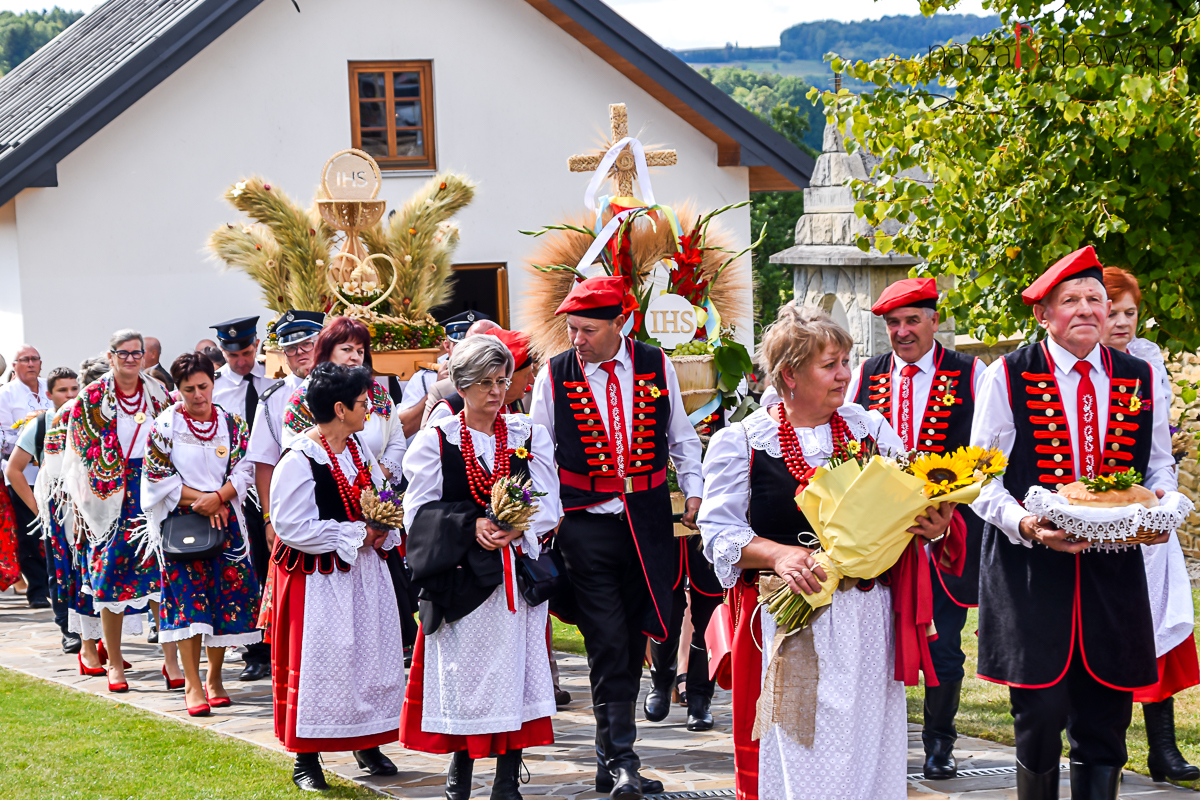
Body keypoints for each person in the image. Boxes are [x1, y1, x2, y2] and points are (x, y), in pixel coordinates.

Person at [699, 305, 957, 800]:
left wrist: (931, 525)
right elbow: (719, 533)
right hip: (791, 620)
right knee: (802, 743)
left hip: (867, 618)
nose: (845, 375)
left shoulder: (869, 429)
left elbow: (908, 504)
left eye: (845, 362)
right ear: (790, 375)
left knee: (866, 742)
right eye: (830, 365)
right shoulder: (743, 442)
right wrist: (778, 555)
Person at [971, 246, 1175, 800]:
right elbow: (980, 479)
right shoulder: (1007, 375)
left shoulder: (1139, 375)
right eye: (1070, 300)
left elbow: (1159, 465)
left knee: (1107, 718)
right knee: (1040, 711)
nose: (1087, 309)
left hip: (1114, 572)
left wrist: (1161, 504)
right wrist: (1026, 525)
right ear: (1044, 314)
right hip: (1031, 572)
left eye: (1095, 299)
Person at [528, 275, 704, 800]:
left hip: (646, 525)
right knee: (605, 640)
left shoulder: (655, 363)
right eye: (572, 329)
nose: (576, 339)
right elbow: (539, 452)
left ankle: (611, 760)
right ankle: (625, 761)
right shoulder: (554, 374)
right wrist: (549, 518)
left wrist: (694, 491)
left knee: (632, 639)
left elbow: (680, 435)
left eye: (586, 329)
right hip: (584, 525)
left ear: (619, 323)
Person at [401, 334, 561, 800]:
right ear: (462, 386)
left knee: (516, 671)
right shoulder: (437, 440)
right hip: (463, 581)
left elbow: (550, 502)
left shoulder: (527, 434)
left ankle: (508, 778)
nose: (497, 391)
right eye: (486, 382)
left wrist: (518, 526)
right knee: (466, 675)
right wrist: (470, 525)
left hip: (516, 578)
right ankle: (461, 771)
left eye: (503, 381)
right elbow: (417, 513)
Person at [845, 278, 986, 779]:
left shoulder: (970, 372)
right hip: (878, 536)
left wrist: (950, 511)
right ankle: (872, 745)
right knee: (871, 642)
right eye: (892, 323)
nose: (902, 332)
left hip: (945, 531)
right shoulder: (866, 373)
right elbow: (850, 441)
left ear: (934, 320)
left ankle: (939, 743)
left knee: (942, 642)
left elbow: (988, 451)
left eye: (911, 321)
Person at [269, 362, 404, 791]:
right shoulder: (299, 458)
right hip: (321, 579)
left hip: (361, 573)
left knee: (367, 658)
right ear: (341, 409)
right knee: (323, 664)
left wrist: (383, 523)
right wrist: (356, 534)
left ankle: (367, 740)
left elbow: (380, 492)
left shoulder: (357, 448)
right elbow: (291, 525)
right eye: (363, 402)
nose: (369, 409)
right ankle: (306, 758)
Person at [1101, 266, 1199, 783]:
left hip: (1146, 514)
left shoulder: (1148, 359)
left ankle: (1163, 749)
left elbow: (1160, 444)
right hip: (1094, 517)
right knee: (1104, 632)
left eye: (1130, 312)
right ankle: (1103, 751)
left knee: (1155, 623)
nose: (1122, 322)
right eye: (1112, 312)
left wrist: (1161, 493)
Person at [141, 352, 262, 715]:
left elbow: (245, 468)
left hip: (226, 523)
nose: (198, 395)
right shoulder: (164, 427)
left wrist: (221, 497)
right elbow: (158, 478)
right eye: (189, 389)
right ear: (177, 390)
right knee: (189, 605)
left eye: (203, 386)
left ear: (213, 383)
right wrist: (204, 500)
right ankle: (193, 683)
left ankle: (215, 676)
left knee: (224, 601)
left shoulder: (232, 423)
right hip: (183, 525)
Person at [62, 330, 172, 693]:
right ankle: (114, 661)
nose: (130, 359)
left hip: (151, 488)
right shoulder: (90, 398)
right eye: (122, 353)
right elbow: (77, 457)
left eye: (136, 353)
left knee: (161, 574)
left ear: (144, 356)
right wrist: (82, 507)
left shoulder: (157, 392)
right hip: (107, 494)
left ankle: (171, 661)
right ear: (110, 357)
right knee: (109, 577)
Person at [245, 310, 323, 667]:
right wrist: (268, 518)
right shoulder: (274, 397)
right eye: (291, 348)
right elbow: (264, 463)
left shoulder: (348, 386)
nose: (300, 353)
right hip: (293, 508)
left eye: (307, 344)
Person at [210, 316, 275, 682]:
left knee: (273, 566)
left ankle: (278, 642)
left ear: (257, 346)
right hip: (236, 490)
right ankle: (255, 651)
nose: (241, 361)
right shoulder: (215, 389)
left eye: (247, 353)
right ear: (223, 352)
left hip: (273, 483)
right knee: (246, 569)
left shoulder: (274, 379)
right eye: (233, 355)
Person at [36, 357, 110, 675]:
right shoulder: (69, 413)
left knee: (106, 575)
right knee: (80, 575)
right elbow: (56, 472)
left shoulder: (116, 409)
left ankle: (107, 644)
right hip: (70, 506)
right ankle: (86, 647)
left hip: (105, 503)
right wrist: (78, 508)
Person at [7, 366, 81, 651]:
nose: (70, 395)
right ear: (49, 395)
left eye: (74, 389)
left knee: (87, 569)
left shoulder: (88, 420)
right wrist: (38, 509)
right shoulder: (41, 425)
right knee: (59, 570)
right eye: (63, 390)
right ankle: (67, 628)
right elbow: (14, 470)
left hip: (88, 509)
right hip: (56, 509)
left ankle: (92, 627)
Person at [281, 317, 406, 481]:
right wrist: (347, 487)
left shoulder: (376, 392)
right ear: (327, 352)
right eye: (347, 349)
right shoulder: (302, 401)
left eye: (360, 351)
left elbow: (396, 442)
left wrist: (370, 485)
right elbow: (296, 462)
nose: (355, 357)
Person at [0, 344, 54, 608]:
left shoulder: (50, 388)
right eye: (24, 359)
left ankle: (57, 583)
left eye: (35, 359)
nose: (31, 363)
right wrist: (31, 438)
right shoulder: (6, 395)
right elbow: (3, 438)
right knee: (29, 531)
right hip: (22, 473)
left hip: (53, 471)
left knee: (56, 528)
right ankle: (37, 588)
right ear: (14, 365)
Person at [425, 328, 535, 425]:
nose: (532, 380)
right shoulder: (446, 409)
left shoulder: (521, 402)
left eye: (501, 381)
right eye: (486, 383)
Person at [420, 313, 503, 427]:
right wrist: (447, 389)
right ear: (447, 346)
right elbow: (422, 432)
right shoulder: (429, 379)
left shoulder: (516, 381)